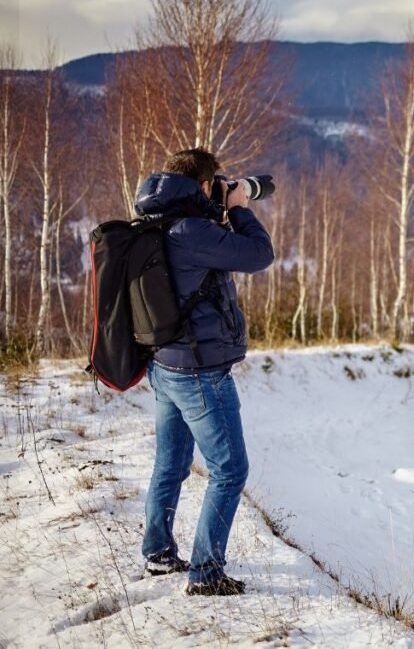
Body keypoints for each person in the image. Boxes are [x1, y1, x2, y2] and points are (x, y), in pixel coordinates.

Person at [134, 148, 274, 596]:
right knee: (230, 471)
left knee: (170, 463)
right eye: (215, 182)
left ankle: (157, 553)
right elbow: (258, 255)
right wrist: (239, 210)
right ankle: (206, 572)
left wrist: (220, 206)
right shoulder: (192, 231)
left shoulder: (156, 222)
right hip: (199, 373)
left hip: (165, 364)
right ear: (201, 185)